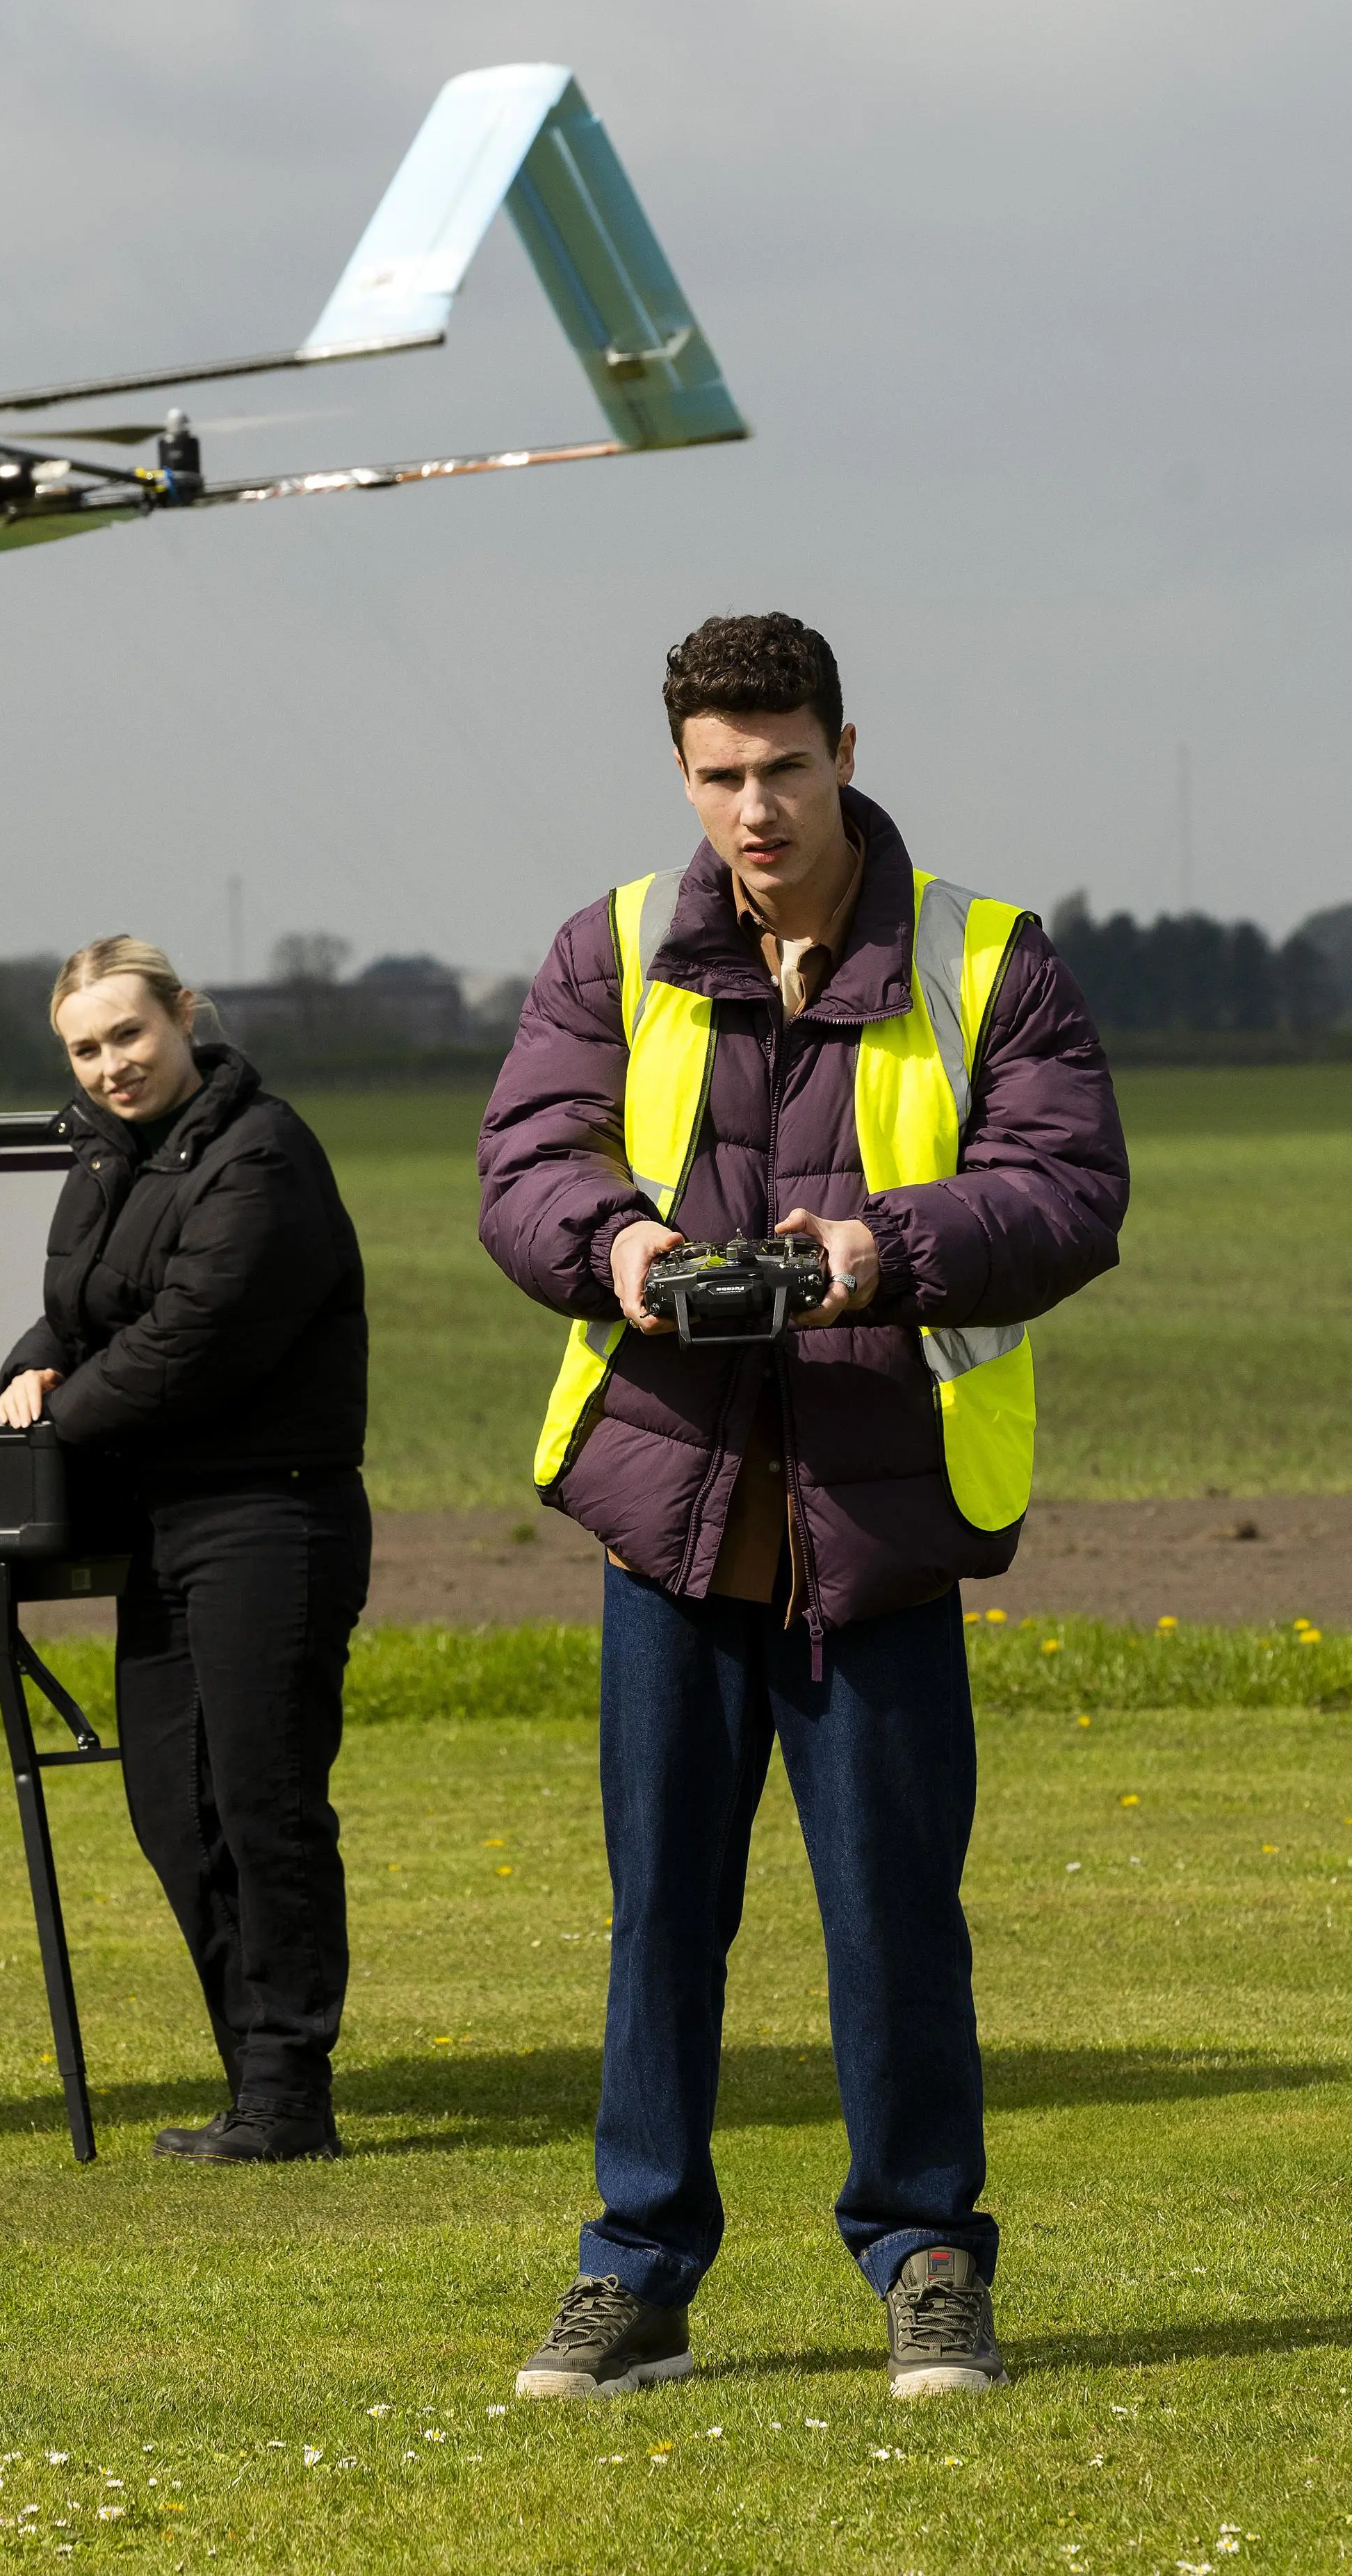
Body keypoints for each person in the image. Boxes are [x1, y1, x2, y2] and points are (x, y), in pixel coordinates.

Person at [477, 614, 1128, 2397]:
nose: (754, 808)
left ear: (848, 747)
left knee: (896, 1915)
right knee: (658, 1917)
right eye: (719, 775)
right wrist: (618, 1249)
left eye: (784, 767)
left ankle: (927, 2256)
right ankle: (636, 2272)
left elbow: (1067, 1192)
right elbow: (528, 1162)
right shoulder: (611, 946)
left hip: (880, 1515)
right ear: (681, 771)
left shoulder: (987, 958)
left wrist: (873, 1252)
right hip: (668, 1517)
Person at [0, 936, 369, 2163]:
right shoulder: (108, 1160)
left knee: (264, 1805)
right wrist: (23, 1371)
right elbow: (77, 1311)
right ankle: (250, 2068)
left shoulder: (264, 1154)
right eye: (86, 1048)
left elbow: (195, 1341)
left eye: (129, 1036)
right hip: (160, 1525)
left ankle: (287, 2092)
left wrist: (55, 1413)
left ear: (184, 1019)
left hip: (273, 1516)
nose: (110, 1065)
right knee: (173, 1810)